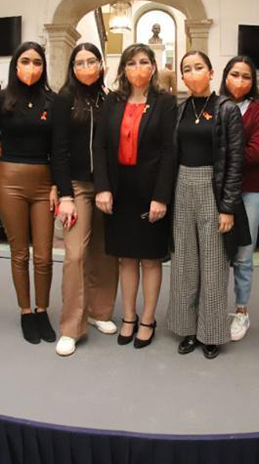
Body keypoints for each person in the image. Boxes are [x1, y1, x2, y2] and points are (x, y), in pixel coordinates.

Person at [94, 43, 176, 349]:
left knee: (150, 260)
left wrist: (161, 196)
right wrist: (102, 187)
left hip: (150, 192)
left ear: (153, 67)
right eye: (131, 63)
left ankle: (148, 319)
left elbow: (169, 151)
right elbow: (100, 146)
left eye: (143, 62)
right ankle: (129, 316)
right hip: (119, 191)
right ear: (123, 69)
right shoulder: (112, 101)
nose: (137, 68)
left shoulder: (166, 103)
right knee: (125, 258)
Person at [169, 50, 248, 360]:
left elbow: (235, 161)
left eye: (198, 67)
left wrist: (227, 207)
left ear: (212, 72)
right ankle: (187, 328)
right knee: (184, 262)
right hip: (182, 186)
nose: (193, 74)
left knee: (214, 265)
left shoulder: (226, 109)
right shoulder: (180, 109)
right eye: (187, 69)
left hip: (212, 189)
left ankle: (211, 332)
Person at [0, 41, 59, 344]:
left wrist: (56, 185)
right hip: (11, 181)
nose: (31, 68)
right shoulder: (1, 99)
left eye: (37, 62)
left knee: (43, 255)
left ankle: (42, 310)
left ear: (43, 67)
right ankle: (26, 312)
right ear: (15, 65)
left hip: (44, 183)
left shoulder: (52, 101)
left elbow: (59, 147)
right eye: (26, 61)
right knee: (19, 253)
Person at [52, 43, 120, 356]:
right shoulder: (64, 98)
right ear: (72, 67)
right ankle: (71, 327)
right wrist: (64, 194)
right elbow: (58, 148)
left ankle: (99, 312)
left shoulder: (109, 99)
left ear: (101, 64)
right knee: (76, 255)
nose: (86, 67)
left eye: (91, 61)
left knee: (105, 253)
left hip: (105, 186)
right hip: (77, 187)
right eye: (79, 63)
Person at [220, 56, 259, 342]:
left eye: (246, 76)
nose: (239, 81)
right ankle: (214, 306)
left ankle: (241, 310)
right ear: (225, 76)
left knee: (243, 254)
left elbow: (257, 151)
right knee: (216, 253)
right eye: (235, 74)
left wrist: (222, 156)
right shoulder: (215, 104)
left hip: (250, 190)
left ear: (253, 82)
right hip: (218, 191)